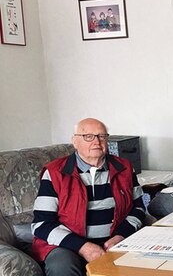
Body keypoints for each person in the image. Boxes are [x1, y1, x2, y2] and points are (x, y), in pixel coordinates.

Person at [31, 118, 145, 276]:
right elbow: (41, 224)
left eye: (102, 136)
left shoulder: (124, 168)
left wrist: (121, 236)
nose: (97, 141)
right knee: (61, 266)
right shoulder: (55, 173)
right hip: (68, 246)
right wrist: (83, 247)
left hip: (114, 242)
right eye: (88, 137)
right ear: (75, 141)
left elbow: (138, 208)